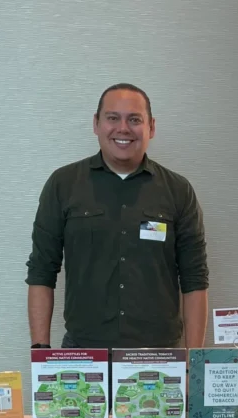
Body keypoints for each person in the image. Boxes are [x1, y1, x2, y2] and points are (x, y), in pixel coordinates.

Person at [26, 83, 209, 350]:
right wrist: (40, 351)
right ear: (96, 124)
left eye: (134, 119)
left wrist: (193, 364)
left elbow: (194, 279)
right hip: (83, 353)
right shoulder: (63, 184)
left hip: (158, 354)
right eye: (113, 118)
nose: (123, 128)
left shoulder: (178, 191)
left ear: (151, 127)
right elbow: (42, 271)